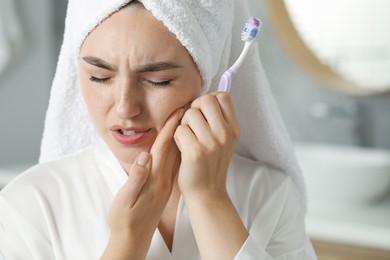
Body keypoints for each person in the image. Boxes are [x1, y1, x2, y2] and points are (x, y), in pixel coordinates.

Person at [0, 0, 317, 259]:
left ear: (208, 76)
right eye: (99, 76)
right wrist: (127, 241)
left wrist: (209, 200)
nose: (126, 107)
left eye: (158, 80)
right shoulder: (30, 205)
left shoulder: (268, 194)